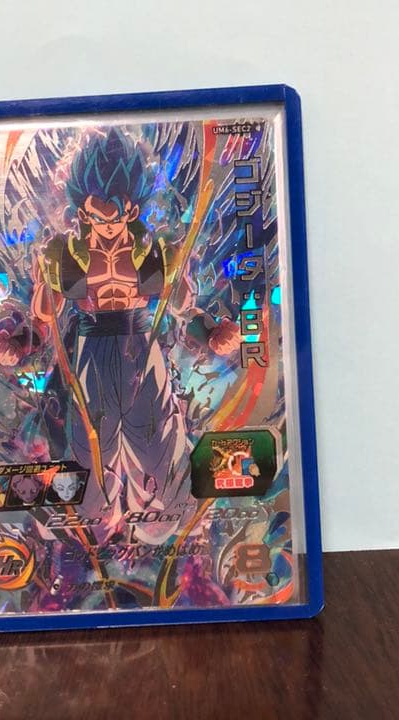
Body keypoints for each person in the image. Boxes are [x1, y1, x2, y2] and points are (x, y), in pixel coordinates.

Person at [29, 128, 241, 542]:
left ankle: (171, 516)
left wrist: (213, 331)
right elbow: (44, 317)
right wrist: (30, 318)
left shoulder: (156, 251)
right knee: (89, 443)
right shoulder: (62, 253)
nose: (108, 224)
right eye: (98, 215)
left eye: (118, 213)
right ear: (82, 209)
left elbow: (183, 308)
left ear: (133, 207)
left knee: (157, 435)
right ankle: (79, 517)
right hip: (90, 345)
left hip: (141, 340)